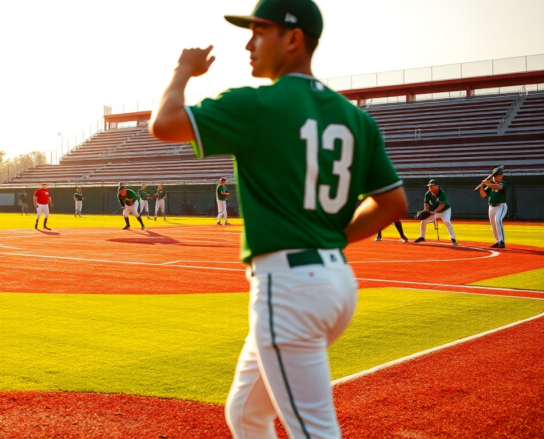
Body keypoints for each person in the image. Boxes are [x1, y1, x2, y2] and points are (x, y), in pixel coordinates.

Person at [148, 1, 408, 436]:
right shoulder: (356, 117)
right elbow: (393, 204)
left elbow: (165, 123)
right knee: (246, 412)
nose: (248, 44)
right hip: (334, 282)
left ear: (293, 39)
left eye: (259, 32)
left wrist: (182, 70)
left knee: (313, 431)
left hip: (289, 288)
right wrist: (330, 237)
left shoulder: (258, 104)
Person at [414, 179, 457, 246]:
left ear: (437, 186)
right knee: (423, 221)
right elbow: (426, 203)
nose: (430, 187)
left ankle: (453, 238)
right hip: (434, 211)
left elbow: (442, 205)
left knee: (447, 222)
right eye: (429, 186)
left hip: (445, 210)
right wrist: (426, 210)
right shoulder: (428, 194)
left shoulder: (442, 193)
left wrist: (434, 212)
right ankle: (422, 237)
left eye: (432, 186)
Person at [478, 166, 508, 248]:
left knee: (497, 220)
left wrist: (487, 183)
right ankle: (497, 241)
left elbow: (498, 187)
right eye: (495, 175)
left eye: (498, 175)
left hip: (500, 206)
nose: (496, 177)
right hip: (491, 206)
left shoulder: (503, 183)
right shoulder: (490, 185)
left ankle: (502, 241)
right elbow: (484, 195)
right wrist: (481, 188)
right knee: (493, 224)